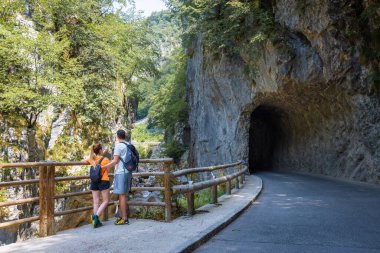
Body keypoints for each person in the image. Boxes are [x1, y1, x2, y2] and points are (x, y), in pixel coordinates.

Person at [101, 129, 132, 225]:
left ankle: (124, 218)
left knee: (121, 195)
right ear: (125, 136)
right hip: (128, 172)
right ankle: (121, 216)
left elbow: (115, 161)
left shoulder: (119, 146)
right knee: (123, 195)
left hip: (121, 172)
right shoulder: (128, 145)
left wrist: (104, 167)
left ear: (117, 137)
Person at [87, 143, 110, 228]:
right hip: (103, 180)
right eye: (102, 148)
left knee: (96, 202)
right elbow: (108, 168)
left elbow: (86, 161)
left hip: (94, 181)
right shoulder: (105, 159)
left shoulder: (91, 159)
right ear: (100, 150)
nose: (103, 150)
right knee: (106, 200)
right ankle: (96, 216)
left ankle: (95, 222)